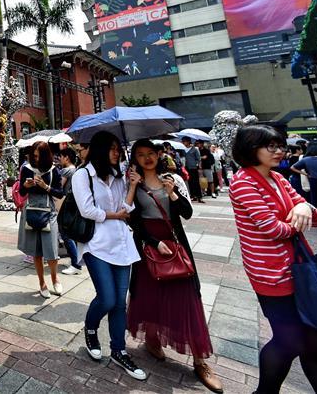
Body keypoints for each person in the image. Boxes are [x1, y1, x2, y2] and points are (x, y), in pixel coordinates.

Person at [229, 125, 317, 393]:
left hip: (302, 270)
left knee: (316, 345)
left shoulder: (279, 179)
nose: (279, 151)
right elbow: (273, 229)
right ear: (251, 149)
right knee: (289, 342)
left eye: (281, 146)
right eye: (271, 146)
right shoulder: (243, 181)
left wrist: (302, 206)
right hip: (271, 274)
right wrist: (300, 213)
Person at [126, 140, 222, 393]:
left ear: (159, 155)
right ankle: (152, 340)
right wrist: (153, 242)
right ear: (134, 158)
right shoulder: (133, 184)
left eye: (150, 154)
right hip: (149, 245)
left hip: (175, 243)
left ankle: (200, 361)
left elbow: (187, 213)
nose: (147, 158)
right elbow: (132, 220)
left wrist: (172, 193)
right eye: (140, 155)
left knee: (187, 298)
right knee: (150, 294)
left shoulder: (173, 179)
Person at [71, 131, 146, 380]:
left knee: (119, 303)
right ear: (101, 149)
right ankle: (91, 328)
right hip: (95, 244)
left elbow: (125, 208)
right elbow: (88, 209)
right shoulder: (83, 175)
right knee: (106, 298)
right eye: (112, 148)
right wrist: (115, 215)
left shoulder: (118, 176)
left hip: (121, 244)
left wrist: (133, 185)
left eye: (118, 148)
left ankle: (119, 350)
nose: (117, 152)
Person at [17, 141, 64, 297]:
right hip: (30, 211)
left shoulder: (53, 170)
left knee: (51, 249)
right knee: (36, 251)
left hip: (48, 212)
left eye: (38, 156)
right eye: (33, 156)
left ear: (45, 156)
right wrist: (26, 185)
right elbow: (22, 193)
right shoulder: (27, 169)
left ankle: (55, 278)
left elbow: (59, 193)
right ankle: (41, 283)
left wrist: (46, 186)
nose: (35, 159)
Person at [56, 147, 84, 275]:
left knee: (65, 234)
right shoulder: (76, 170)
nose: (59, 159)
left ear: (66, 157)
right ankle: (76, 260)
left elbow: (58, 188)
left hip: (65, 206)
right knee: (70, 234)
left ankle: (75, 264)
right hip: (74, 205)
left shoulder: (66, 171)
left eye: (61, 157)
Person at [182, 137, 204, 203]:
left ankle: (199, 196)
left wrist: (199, 166)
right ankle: (193, 196)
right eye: (183, 141)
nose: (183, 143)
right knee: (190, 182)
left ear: (188, 141)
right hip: (186, 167)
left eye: (184, 141)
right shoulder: (183, 149)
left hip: (193, 167)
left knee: (196, 182)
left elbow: (199, 158)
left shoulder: (195, 149)